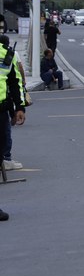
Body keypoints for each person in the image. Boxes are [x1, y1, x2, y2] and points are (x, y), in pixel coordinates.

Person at [0, 34, 26, 178]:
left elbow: (15, 83)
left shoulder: (7, 54)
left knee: (3, 139)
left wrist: (20, 107)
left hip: (1, 108)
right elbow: (16, 83)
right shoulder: (7, 53)